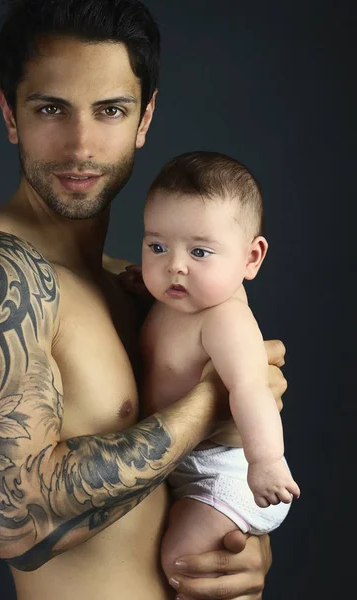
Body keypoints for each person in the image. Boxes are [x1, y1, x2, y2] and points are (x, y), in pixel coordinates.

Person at [0, 1, 287, 599]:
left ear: (144, 118)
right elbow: (14, 523)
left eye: (110, 110)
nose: (81, 144)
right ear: (10, 115)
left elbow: (170, 496)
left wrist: (244, 543)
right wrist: (211, 402)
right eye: (50, 108)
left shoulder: (140, 287)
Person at [135, 150, 300, 581]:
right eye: (157, 246)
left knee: (182, 561)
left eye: (201, 252)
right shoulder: (172, 296)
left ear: (251, 258)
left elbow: (250, 388)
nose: (175, 265)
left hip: (228, 473)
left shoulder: (224, 317)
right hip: (183, 465)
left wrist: (266, 461)